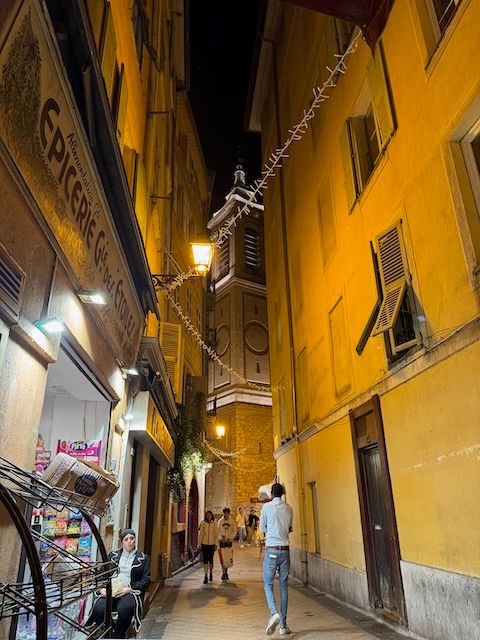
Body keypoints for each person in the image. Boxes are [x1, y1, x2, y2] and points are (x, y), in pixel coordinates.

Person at [86, 529, 150, 638]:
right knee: (99, 608)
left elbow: (145, 580)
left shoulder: (143, 558)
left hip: (128, 592)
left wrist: (129, 589)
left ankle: (118, 635)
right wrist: (102, 589)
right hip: (110, 591)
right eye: (126, 539)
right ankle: (109, 631)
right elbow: (102, 575)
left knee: (125, 609)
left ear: (135, 540)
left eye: (132, 538)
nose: (129, 541)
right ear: (122, 542)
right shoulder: (113, 556)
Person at [260, 483, 293, 636]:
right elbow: (289, 529)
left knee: (268, 583)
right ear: (283, 493)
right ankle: (283, 626)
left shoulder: (266, 508)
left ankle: (274, 613)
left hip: (271, 550)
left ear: (272, 494)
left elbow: (262, 528)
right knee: (284, 587)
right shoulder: (289, 508)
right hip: (285, 550)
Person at [217, 507, 237, 581]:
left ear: (229, 513)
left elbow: (234, 531)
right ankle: (223, 573)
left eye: (227, 513)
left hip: (229, 543)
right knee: (222, 558)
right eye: (224, 513)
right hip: (221, 543)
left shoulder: (232, 521)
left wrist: (230, 538)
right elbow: (217, 531)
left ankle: (226, 572)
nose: (226, 514)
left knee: (228, 558)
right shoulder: (220, 521)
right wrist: (220, 538)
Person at [198, 510, 217, 584]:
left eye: (210, 515)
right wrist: (199, 544)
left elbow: (216, 534)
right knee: (205, 560)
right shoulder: (203, 524)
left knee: (211, 559)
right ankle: (205, 575)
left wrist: (216, 544)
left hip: (212, 544)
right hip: (204, 544)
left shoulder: (215, 524)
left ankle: (211, 573)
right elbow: (201, 535)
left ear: (212, 516)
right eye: (207, 515)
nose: (208, 517)